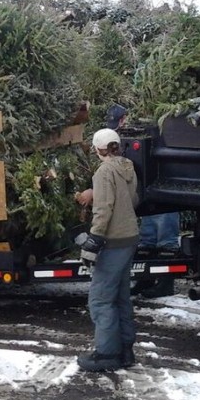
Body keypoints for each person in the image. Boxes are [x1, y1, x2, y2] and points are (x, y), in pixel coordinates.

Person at [76, 127, 140, 372]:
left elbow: (103, 210)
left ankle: (106, 354)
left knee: (101, 300)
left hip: (113, 242)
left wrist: (94, 240)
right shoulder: (127, 167)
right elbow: (133, 201)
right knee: (121, 297)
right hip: (129, 238)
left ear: (98, 150)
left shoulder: (104, 172)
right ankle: (125, 351)